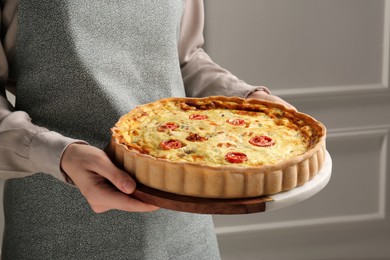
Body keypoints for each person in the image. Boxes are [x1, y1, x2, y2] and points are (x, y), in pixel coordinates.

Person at [0, 0, 293, 259]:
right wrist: (57, 154)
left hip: (181, 220)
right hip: (56, 221)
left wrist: (245, 100)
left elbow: (183, 60)